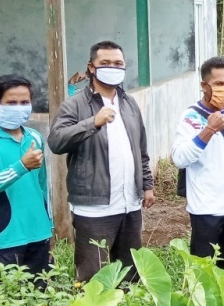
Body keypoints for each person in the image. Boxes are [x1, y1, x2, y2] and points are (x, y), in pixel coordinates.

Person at [49, 41, 155, 282]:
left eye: (118, 64)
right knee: (93, 275)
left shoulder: (129, 103)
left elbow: (140, 149)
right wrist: (92, 123)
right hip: (94, 207)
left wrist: (147, 185)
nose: (112, 68)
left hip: (130, 203)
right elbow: (56, 141)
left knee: (129, 271)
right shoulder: (75, 105)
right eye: (105, 63)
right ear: (91, 68)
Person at [171, 57, 224, 278]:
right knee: (203, 273)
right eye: (219, 84)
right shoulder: (190, 117)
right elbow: (180, 158)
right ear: (204, 86)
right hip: (206, 208)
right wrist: (208, 130)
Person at [0, 75, 52, 290]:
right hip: (5, 235)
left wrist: (47, 223)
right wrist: (21, 166)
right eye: (11, 103)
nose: (19, 108)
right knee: (1, 303)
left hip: (38, 233)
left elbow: (42, 186)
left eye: (24, 103)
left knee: (39, 300)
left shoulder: (34, 137)